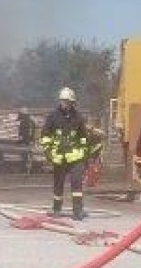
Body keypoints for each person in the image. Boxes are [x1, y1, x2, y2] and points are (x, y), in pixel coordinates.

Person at [38, 87, 99, 219]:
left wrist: (84, 153)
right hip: (59, 156)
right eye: (63, 101)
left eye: (67, 101)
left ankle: (78, 211)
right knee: (58, 184)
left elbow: (83, 137)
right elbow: (45, 135)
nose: (65, 104)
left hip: (76, 157)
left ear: (72, 102)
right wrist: (48, 151)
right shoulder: (53, 116)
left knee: (77, 183)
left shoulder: (78, 117)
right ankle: (56, 210)